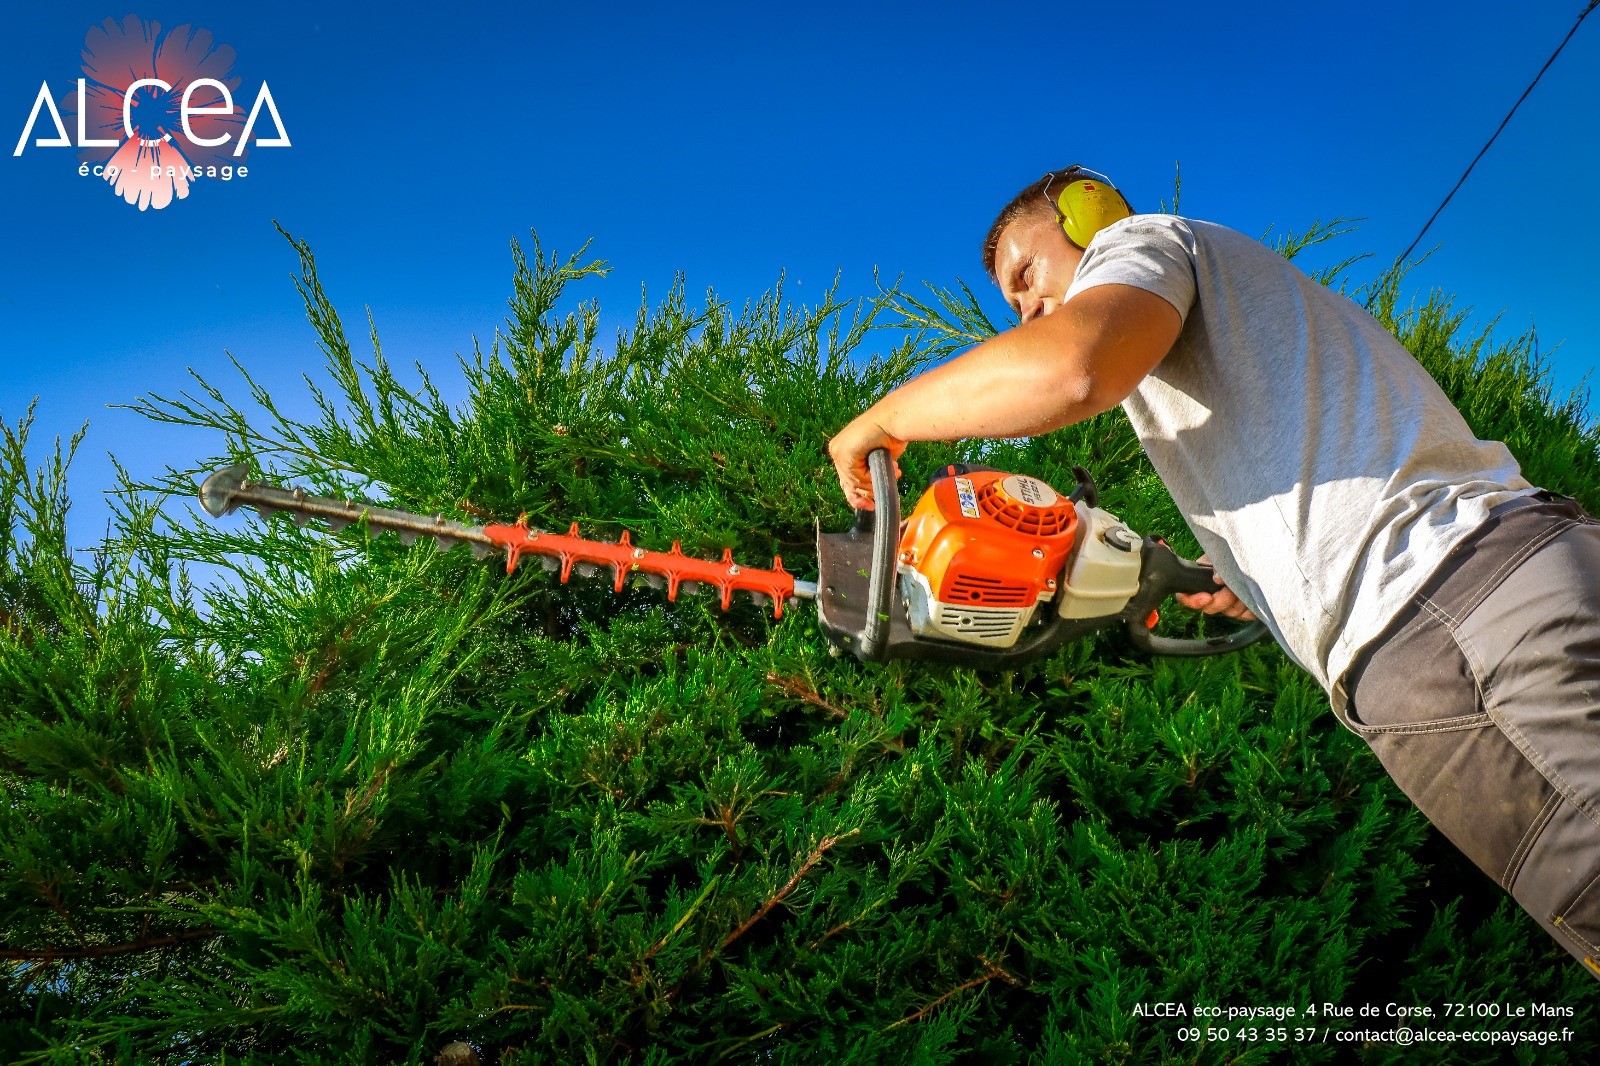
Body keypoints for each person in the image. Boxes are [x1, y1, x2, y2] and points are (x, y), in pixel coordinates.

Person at [826, 164, 1600, 983]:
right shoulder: (1238, 310)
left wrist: (882, 420)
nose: (1027, 310)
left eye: (1028, 275)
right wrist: (1237, 572)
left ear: (1089, 214)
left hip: (1445, 629)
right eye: (1012, 305)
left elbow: (1075, 367)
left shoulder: (1138, 241)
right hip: (1517, 569)